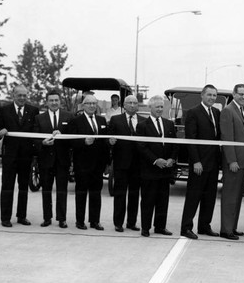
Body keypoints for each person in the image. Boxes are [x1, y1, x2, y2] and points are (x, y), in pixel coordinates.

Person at [180, 85, 222, 239]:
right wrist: (196, 161)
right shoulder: (193, 113)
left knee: (209, 197)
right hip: (199, 163)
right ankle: (186, 227)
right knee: (193, 196)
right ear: (202, 95)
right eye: (209, 95)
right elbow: (190, 139)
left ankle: (204, 226)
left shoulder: (217, 113)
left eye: (214, 95)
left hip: (213, 163)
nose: (212, 98)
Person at [0, 85, 40, 227]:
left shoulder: (33, 111)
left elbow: (35, 131)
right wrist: (0, 130)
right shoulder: (4, 110)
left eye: (24, 95)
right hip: (9, 155)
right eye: (19, 95)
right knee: (7, 186)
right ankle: (5, 218)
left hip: (25, 156)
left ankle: (21, 216)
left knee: (23, 187)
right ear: (13, 95)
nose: (22, 98)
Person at [137, 95, 178, 237]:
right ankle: (145, 228)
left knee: (163, 200)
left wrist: (172, 159)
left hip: (165, 171)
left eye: (162, 107)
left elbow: (174, 145)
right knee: (148, 200)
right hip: (150, 170)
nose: (160, 109)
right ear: (150, 108)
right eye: (157, 107)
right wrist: (156, 160)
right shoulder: (142, 125)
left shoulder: (169, 124)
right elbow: (141, 147)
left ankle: (160, 227)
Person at [68, 94, 110, 231]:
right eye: (89, 103)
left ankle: (95, 221)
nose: (92, 106)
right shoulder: (76, 121)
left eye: (94, 103)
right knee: (81, 193)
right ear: (83, 106)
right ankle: (80, 221)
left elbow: (105, 142)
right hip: (82, 164)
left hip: (98, 165)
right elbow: (70, 141)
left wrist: (107, 162)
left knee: (96, 194)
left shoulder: (102, 120)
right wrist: (83, 142)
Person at [34, 89, 74, 228]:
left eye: (56, 100)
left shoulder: (68, 116)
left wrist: (62, 133)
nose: (54, 103)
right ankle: (47, 218)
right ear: (46, 102)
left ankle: (61, 218)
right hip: (45, 160)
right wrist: (43, 143)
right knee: (46, 190)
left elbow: (72, 137)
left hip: (62, 160)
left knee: (62, 190)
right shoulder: (39, 118)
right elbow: (34, 139)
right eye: (51, 100)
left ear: (60, 101)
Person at [108, 95, 146, 232]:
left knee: (134, 195)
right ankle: (118, 223)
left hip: (138, 164)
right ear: (124, 105)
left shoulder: (143, 121)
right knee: (120, 194)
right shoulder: (115, 120)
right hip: (121, 164)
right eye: (129, 103)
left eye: (135, 103)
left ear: (138, 106)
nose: (132, 105)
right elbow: (109, 138)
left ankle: (131, 222)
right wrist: (110, 142)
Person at [219, 83, 244, 240]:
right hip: (234, 162)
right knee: (230, 196)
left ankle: (233, 226)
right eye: (241, 94)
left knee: (238, 196)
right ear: (234, 94)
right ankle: (226, 230)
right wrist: (232, 160)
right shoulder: (227, 111)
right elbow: (227, 138)